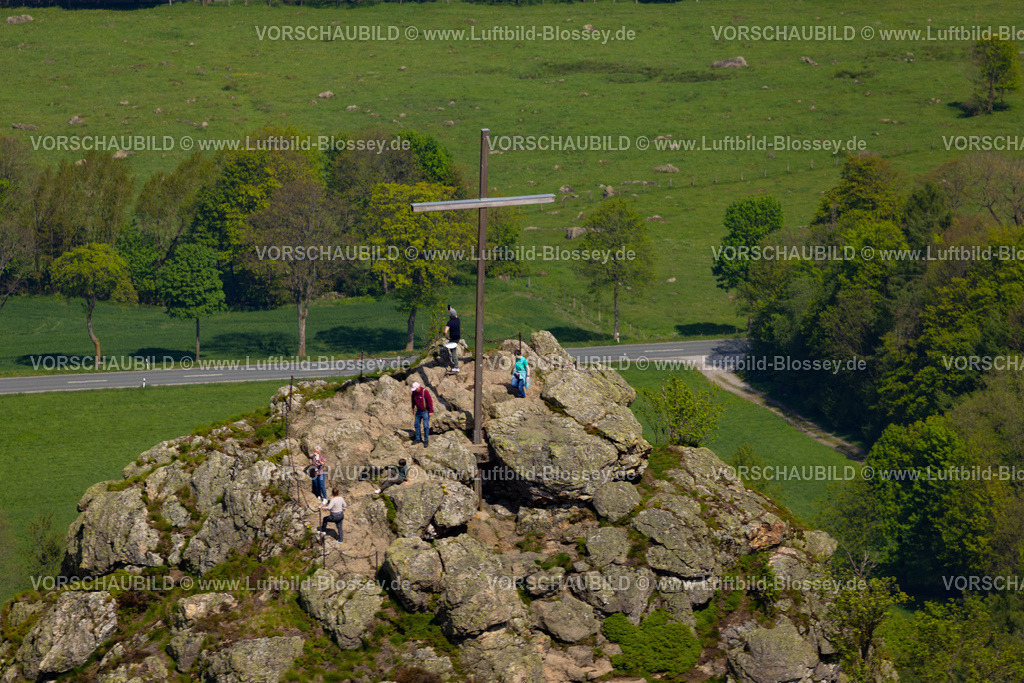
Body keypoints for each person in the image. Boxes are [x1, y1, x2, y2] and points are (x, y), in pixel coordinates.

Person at [444, 306, 461, 373]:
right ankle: (451, 357)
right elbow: (455, 314)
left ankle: (456, 367)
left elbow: (445, 331)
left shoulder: (449, 323)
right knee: (452, 351)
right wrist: (450, 309)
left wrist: (447, 337)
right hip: (457, 338)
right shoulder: (458, 320)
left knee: (453, 352)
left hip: (452, 339)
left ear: (450, 315)